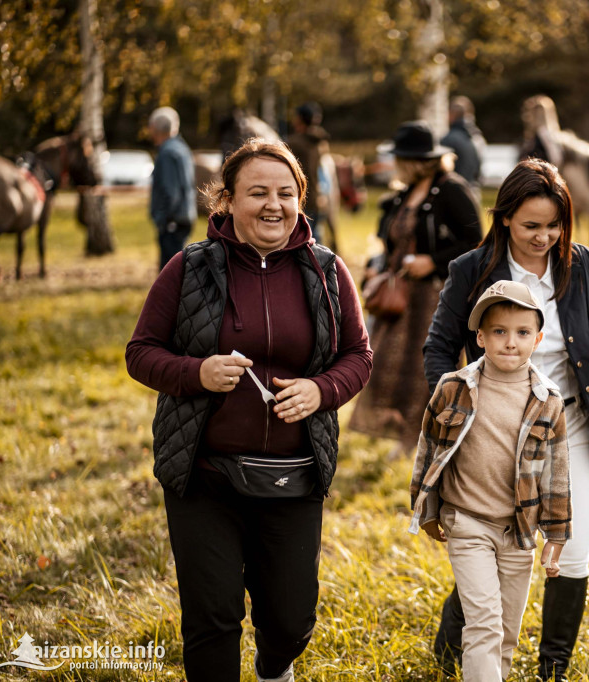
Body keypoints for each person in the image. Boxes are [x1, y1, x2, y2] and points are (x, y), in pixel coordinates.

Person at [125, 138, 373, 682]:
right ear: (227, 201)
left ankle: (272, 668)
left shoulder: (328, 271)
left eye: (286, 193)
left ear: (301, 201)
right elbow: (140, 353)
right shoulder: (187, 268)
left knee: (290, 621)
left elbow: (358, 355)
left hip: (294, 477)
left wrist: (320, 391)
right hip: (204, 475)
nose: (273, 205)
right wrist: (197, 373)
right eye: (257, 192)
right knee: (211, 620)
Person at [424, 158, 589, 681]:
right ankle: (454, 635)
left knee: (571, 550)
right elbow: (439, 345)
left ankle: (553, 668)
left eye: (555, 226)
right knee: (500, 540)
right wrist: (452, 404)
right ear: (504, 218)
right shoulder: (471, 269)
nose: (545, 237)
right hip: (493, 431)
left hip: (568, 427)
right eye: (531, 226)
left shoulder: (583, 263)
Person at [410, 280, 571, 682]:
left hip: (519, 531)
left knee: (507, 633)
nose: (510, 342)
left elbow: (557, 472)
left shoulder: (548, 399)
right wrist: (427, 511)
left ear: (538, 338)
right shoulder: (454, 388)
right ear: (480, 337)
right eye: (499, 331)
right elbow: (428, 450)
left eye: (521, 333)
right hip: (468, 523)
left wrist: (556, 533)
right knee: (483, 623)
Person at [348, 121, 482, 453]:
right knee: (391, 364)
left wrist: (432, 261)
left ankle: (422, 438)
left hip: (435, 296)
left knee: (425, 367)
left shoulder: (451, 189)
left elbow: (476, 241)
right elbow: (390, 239)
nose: (394, 164)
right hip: (401, 296)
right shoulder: (404, 194)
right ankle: (404, 433)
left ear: (414, 161)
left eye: (399, 158)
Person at [148, 106, 197, 271]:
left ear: (155, 129)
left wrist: (163, 219)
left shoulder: (167, 152)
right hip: (184, 216)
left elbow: (171, 191)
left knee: (169, 272)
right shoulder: (182, 148)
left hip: (173, 221)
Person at [286, 102, 337, 250]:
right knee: (315, 239)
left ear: (300, 119)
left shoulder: (295, 143)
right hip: (315, 197)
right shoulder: (318, 142)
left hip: (300, 199)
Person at [441, 95, 487, 195]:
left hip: (455, 193)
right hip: (474, 190)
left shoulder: (449, 139)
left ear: (451, 114)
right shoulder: (477, 137)